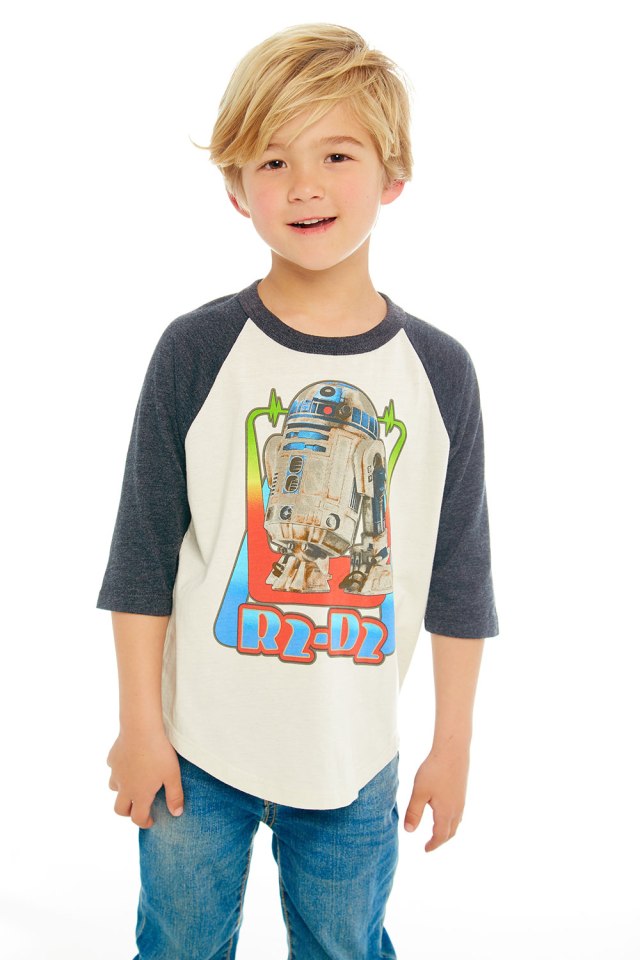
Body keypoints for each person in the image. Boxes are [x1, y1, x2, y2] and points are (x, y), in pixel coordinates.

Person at [98, 22, 498, 960]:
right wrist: (138, 725)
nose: (305, 184)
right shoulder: (197, 351)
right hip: (196, 751)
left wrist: (452, 744)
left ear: (393, 174)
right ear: (237, 188)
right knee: (180, 944)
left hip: (354, 758)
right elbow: (141, 555)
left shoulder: (440, 373)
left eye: (337, 154)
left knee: (344, 945)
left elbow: (460, 578)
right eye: (273, 160)